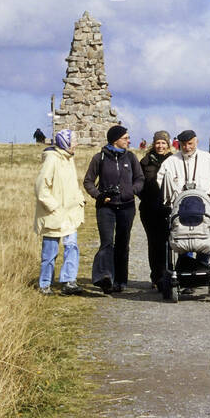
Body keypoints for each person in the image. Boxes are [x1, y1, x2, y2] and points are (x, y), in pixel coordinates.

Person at [83, 124, 145, 294]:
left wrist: (131, 191)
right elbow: (88, 181)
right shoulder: (99, 158)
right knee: (107, 242)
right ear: (115, 140)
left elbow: (140, 179)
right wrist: (99, 195)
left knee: (123, 244)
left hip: (127, 207)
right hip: (106, 208)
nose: (128, 140)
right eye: (125, 138)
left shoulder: (131, 158)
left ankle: (121, 280)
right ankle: (106, 278)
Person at [34, 129, 85, 296]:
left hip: (70, 213)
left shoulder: (69, 158)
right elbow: (41, 187)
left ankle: (69, 281)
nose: (76, 143)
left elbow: (73, 183)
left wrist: (79, 199)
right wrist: (53, 207)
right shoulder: (52, 159)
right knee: (50, 251)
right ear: (66, 142)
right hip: (54, 215)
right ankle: (45, 284)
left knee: (72, 246)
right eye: (74, 140)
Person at [138, 130, 174, 289]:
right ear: (154, 144)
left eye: (163, 143)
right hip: (149, 209)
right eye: (158, 143)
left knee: (169, 242)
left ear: (168, 144)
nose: (160, 146)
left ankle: (170, 274)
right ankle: (157, 277)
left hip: (169, 208)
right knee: (154, 243)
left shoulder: (174, 160)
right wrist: (145, 197)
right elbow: (138, 183)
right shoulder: (145, 162)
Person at [157, 129, 210, 206]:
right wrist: (172, 199)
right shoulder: (171, 161)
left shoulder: (208, 159)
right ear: (179, 143)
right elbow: (161, 180)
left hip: (205, 206)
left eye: (190, 143)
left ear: (196, 142)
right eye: (183, 144)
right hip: (179, 207)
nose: (187, 147)